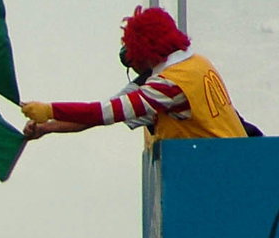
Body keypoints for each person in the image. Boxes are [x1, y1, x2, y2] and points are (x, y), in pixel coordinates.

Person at [21, 7, 251, 145]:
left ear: (142, 52)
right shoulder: (197, 63)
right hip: (239, 156)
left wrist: (49, 110)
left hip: (215, 170)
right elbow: (100, 114)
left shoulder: (167, 86)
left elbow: (103, 113)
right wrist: (48, 127)